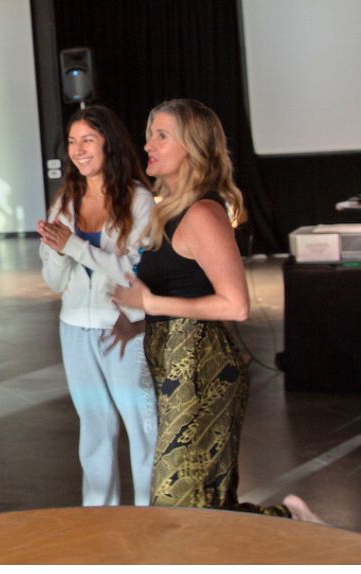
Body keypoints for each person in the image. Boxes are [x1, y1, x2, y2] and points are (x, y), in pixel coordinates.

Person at [111, 98, 323, 522]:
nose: (148, 144)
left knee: (179, 505)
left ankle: (289, 522)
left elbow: (236, 304)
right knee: (203, 506)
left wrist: (151, 303)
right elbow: (179, 287)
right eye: (150, 134)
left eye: (161, 136)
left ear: (191, 147)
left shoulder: (203, 214)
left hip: (203, 371)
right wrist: (139, 320)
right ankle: (290, 520)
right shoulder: (166, 211)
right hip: (175, 367)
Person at [36, 105, 158, 507]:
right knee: (94, 428)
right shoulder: (65, 201)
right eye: (73, 142)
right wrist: (58, 252)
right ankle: (99, 516)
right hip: (74, 328)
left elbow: (131, 272)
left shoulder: (139, 200)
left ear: (109, 143)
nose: (79, 149)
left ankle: (151, 515)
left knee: (142, 427)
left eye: (88, 139)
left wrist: (72, 246)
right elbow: (55, 282)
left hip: (124, 328)